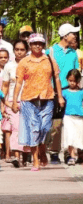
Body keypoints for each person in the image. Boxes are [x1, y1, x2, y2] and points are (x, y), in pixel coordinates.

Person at [13, 33, 65, 171]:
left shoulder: (49, 59)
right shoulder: (24, 62)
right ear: (30, 45)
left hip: (47, 98)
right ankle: (36, 160)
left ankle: (42, 151)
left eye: (40, 43)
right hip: (29, 100)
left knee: (45, 128)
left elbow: (57, 79)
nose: (37, 46)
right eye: (35, 43)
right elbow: (18, 83)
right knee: (33, 129)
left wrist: (59, 96)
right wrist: (14, 100)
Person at [45, 23, 80, 164]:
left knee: (72, 123)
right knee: (57, 124)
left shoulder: (73, 53)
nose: (75, 36)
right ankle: (54, 152)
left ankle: (69, 153)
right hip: (54, 93)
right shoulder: (51, 52)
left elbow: (77, 72)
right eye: (73, 34)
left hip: (71, 92)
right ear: (65, 36)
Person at [1, 40, 30, 167]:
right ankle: (16, 156)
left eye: (22, 49)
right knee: (16, 128)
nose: (19, 52)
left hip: (29, 100)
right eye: (17, 49)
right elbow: (5, 86)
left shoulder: (31, 64)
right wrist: (3, 104)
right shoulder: (9, 66)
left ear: (26, 51)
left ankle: (26, 157)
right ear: (14, 51)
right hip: (13, 102)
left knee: (28, 128)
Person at [62, 69, 83, 166]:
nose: (72, 83)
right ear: (67, 80)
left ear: (78, 81)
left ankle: (80, 156)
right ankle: (71, 156)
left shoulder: (81, 92)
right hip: (68, 117)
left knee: (79, 137)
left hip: (80, 117)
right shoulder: (64, 92)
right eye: (70, 80)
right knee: (69, 136)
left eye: (75, 81)